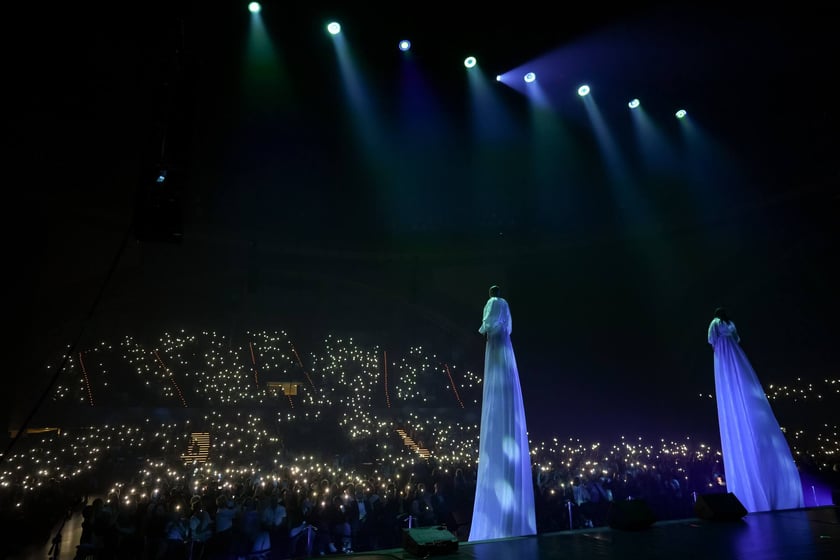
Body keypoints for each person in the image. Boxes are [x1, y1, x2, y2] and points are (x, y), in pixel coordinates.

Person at [707, 306, 804, 512]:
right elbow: (712, 339)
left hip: (731, 351)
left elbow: (729, 338)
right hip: (725, 351)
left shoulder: (728, 325)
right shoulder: (716, 324)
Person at [468, 285, 536, 541]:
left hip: (497, 345)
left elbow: (487, 322)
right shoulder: (506, 304)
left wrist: (483, 328)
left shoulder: (493, 302)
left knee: (498, 382)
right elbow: (507, 325)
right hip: (505, 345)